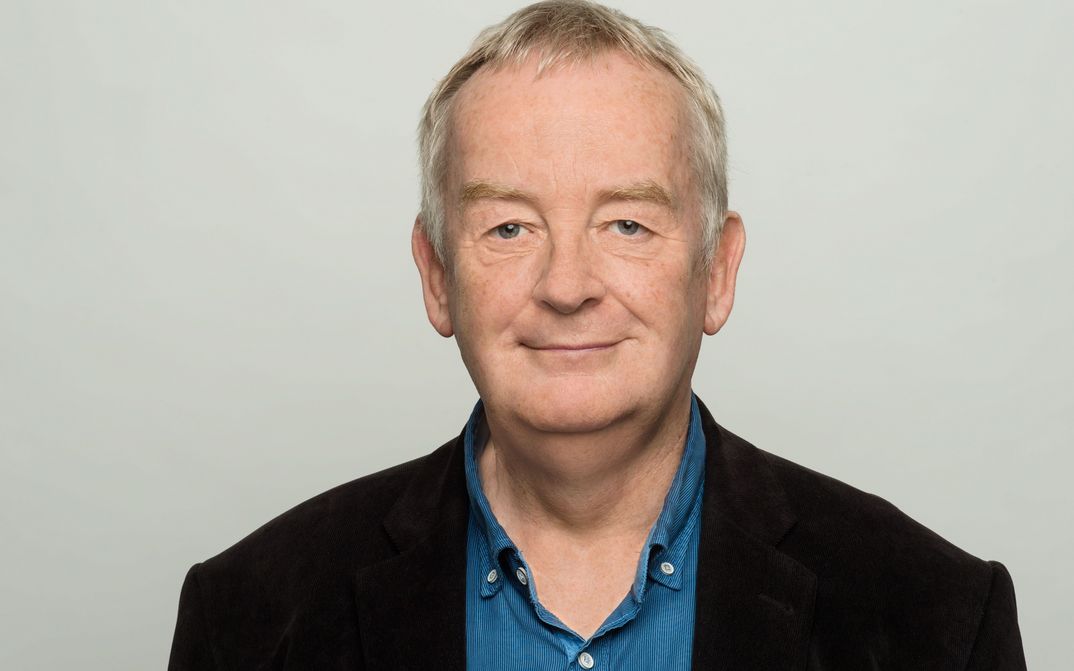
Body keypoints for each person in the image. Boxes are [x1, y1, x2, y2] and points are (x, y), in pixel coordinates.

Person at [168, 1, 1026, 668]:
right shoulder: (249, 620)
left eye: (626, 224)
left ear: (717, 273)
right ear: (436, 278)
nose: (568, 287)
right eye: (508, 228)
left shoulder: (935, 619)